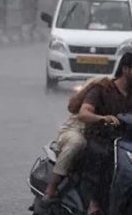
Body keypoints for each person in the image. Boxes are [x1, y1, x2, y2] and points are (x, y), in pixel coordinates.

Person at [77, 52, 132, 215]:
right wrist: (102, 118)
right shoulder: (102, 90)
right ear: (125, 69)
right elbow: (84, 113)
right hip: (98, 138)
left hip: (124, 142)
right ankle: (92, 202)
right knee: (102, 155)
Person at [41, 76, 115, 204]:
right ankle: (51, 188)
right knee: (77, 143)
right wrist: (102, 118)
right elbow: (80, 112)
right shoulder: (96, 91)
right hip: (74, 130)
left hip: (99, 134)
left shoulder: (128, 95)